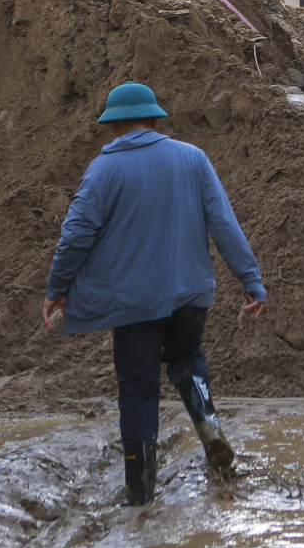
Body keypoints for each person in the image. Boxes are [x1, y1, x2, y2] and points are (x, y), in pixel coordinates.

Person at [42, 82, 268, 505]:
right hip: (191, 298)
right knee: (186, 358)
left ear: (112, 126)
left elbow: (74, 238)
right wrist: (251, 281)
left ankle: (141, 490)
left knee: (138, 390)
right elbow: (223, 223)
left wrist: (57, 290)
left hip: (134, 305)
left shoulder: (102, 171)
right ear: (155, 119)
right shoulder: (193, 159)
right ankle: (209, 428)